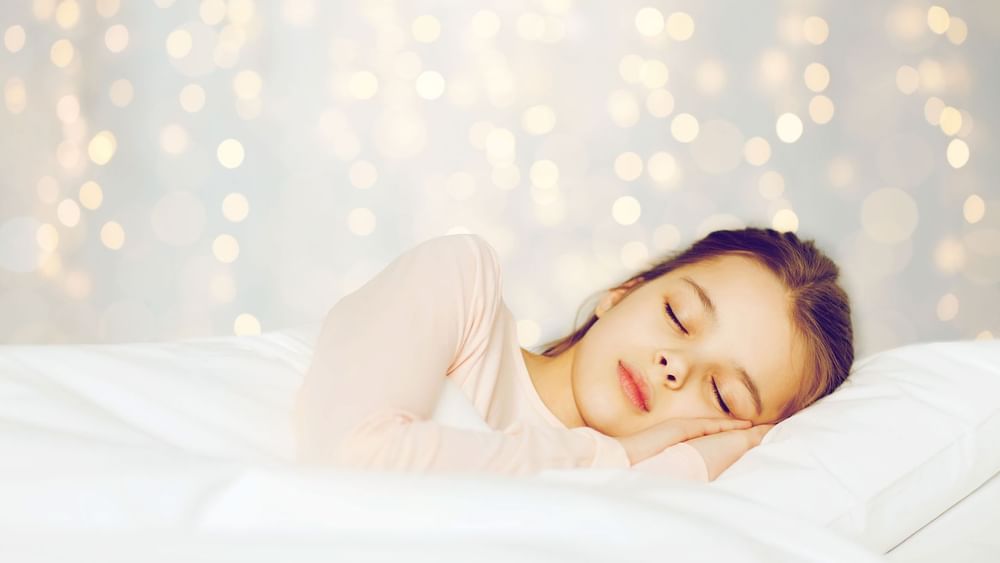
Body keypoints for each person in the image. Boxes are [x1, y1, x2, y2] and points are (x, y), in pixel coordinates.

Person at [294, 227, 854, 481]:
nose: (676, 366)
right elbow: (353, 461)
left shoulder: (661, 495)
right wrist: (611, 458)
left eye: (722, 394)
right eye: (678, 316)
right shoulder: (464, 283)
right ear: (624, 291)